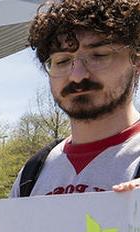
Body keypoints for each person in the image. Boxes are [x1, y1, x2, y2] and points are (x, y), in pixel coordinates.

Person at [11, 0, 140, 199]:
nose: (77, 75)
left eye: (98, 55)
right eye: (62, 61)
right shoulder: (31, 175)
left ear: (136, 61)